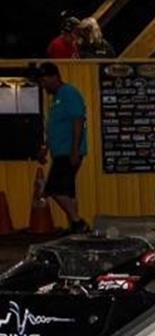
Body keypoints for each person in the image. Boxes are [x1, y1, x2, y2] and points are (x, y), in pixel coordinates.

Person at [35, 62, 89, 233]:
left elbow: (78, 121)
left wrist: (75, 150)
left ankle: (78, 222)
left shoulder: (69, 93)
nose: (43, 85)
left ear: (54, 77)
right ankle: (75, 226)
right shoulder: (56, 98)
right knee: (68, 191)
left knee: (55, 189)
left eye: (44, 80)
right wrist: (46, 147)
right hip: (60, 151)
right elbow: (55, 127)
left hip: (68, 151)